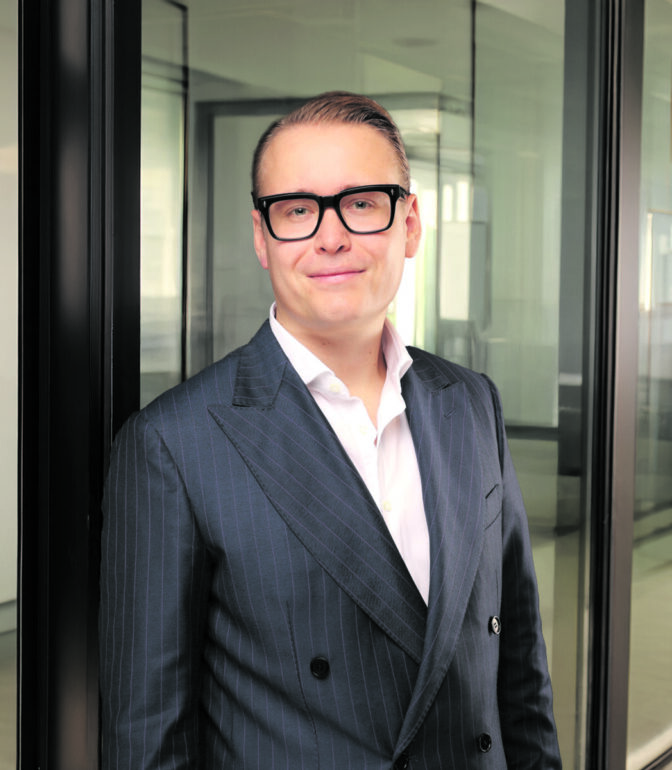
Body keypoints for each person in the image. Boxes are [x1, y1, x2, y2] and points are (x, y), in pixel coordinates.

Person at [99, 91, 561, 769]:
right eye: (296, 210)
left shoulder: (470, 403)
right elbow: (149, 739)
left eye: (362, 203)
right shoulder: (173, 444)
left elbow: (518, 663)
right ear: (262, 238)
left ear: (410, 224)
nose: (331, 236)